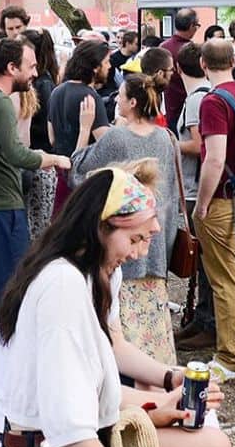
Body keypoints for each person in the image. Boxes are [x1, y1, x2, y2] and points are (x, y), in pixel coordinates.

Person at [0, 167, 235, 447]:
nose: (139, 252)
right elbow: (69, 427)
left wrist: (160, 402)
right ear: (100, 227)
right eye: (135, 238)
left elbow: (87, 393)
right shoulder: (64, 288)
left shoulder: (73, 273)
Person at [0, 37, 72, 413]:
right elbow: (16, 154)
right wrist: (54, 158)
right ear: (11, 69)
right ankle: (17, 382)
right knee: (15, 293)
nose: (35, 72)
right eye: (29, 66)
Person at [69, 98, 182, 367]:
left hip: (127, 261)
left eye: (120, 95)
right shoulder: (165, 137)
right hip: (155, 260)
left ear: (133, 101)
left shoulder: (116, 137)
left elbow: (79, 171)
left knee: (121, 333)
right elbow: (171, 196)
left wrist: (84, 130)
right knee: (151, 338)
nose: (116, 100)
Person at [194, 39, 235, 381]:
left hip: (223, 198)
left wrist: (202, 202)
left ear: (204, 64)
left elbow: (215, 157)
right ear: (233, 61)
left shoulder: (212, 102)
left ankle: (231, 357)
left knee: (225, 279)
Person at [172, 43, 216, 350]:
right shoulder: (205, 95)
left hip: (196, 186)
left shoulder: (195, 100)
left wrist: (170, 143)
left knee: (202, 259)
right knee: (200, 261)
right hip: (199, 185)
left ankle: (207, 323)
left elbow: (200, 146)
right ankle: (200, 318)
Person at [21, 28, 63, 232]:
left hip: (40, 163)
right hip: (38, 161)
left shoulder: (42, 85)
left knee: (38, 226)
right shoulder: (42, 82)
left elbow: (46, 125)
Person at [52, 40, 113, 161]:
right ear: (95, 67)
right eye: (106, 62)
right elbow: (106, 144)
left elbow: (52, 139)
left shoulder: (56, 92)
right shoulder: (90, 98)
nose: (109, 66)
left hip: (61, 168)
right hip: (85, 171)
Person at [158, 9, 201, 129]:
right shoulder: (193, 51)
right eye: (197, 25)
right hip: (190, 106)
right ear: (192, 26)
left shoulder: (163, 48)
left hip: (169, 106)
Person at [107, 29, 141, 95]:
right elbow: (109, 82)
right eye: (136, 44)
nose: (138, 47)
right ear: (128, 44)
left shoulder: (137, 57)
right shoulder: (113, 59)